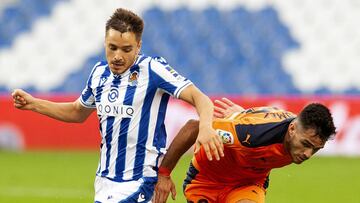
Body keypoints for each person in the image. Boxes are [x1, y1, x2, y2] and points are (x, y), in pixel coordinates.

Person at [11, 8, 224, 203]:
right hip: (104, 181)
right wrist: (34, 104)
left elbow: (200, 97)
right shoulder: (99, 74)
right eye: (112, 48)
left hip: (140, 182)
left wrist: (205, 127)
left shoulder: (152, 69)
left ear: (138, 46)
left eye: (126, 49)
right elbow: (77, 112)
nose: (117, 56)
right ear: (104, 42)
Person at [153, 98, 336, 203]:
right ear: (292, 129)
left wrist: (243, 114)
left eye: (315, 149)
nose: (307, 155)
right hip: (206, 181)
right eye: (305, 145)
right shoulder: (248, 135)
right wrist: (164, 174)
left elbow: (266, 116)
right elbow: (193, 128)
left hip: (247, 184)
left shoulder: (296, 132)